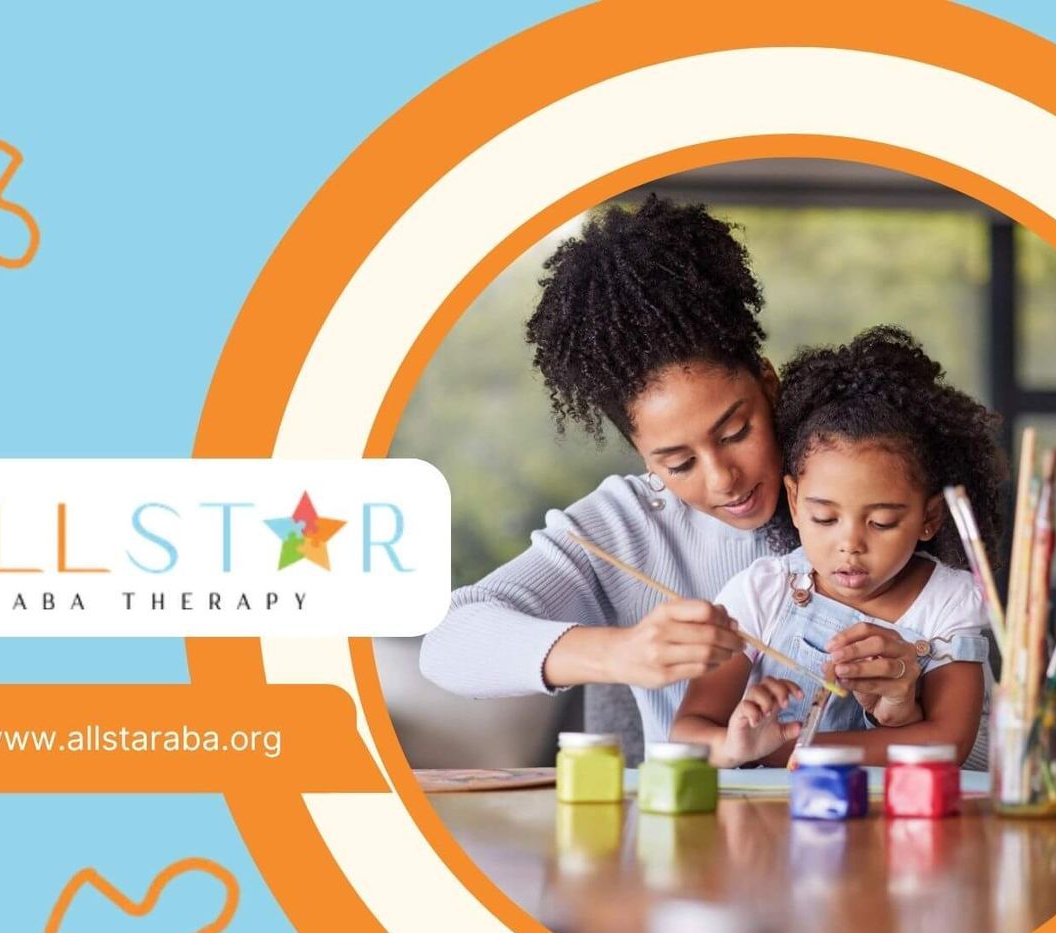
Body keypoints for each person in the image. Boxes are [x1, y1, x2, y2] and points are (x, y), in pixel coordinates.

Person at [418, 196, 786, 745]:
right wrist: (619, 653)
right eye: (678, 462)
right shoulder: (627, 526)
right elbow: (448, 642)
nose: (721, 479)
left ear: (768, 383)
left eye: (736, 433)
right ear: (641, 454)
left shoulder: (854, 479)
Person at [669, 326, 1009, 768]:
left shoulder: (947, 600)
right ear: (794, 502)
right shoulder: (762, 593)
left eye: (882, 522)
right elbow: (688, 733)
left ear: (929, 517)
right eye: (825, 519)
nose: (849, 545)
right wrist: (736, 746)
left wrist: (787, 751)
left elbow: (946, 743)